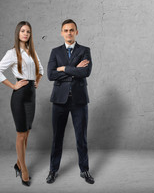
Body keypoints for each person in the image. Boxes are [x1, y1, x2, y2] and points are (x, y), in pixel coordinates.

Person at [0, 21, 44, 187]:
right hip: (19, 96)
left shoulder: (32, 52)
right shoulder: (12, 53)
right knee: (21, 134)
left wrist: (36, 81)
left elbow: (41, 70)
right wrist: (13, 85)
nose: (25, 34)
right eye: (23, 31)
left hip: (31, 95)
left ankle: (18, 163)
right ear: (18, 33)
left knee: (27, 133)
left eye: (28, 31)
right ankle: (23, 170)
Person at [46, 19, 94, 184]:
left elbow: (86, 72)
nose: (69, 33)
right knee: (57, 137)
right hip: (59, 100)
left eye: (71, 30)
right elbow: (51, 75)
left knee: (81, 137)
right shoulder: (55, 52)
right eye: (65, 30)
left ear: (76, 32)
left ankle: (84, 170)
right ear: (61, 33)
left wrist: (64, 68)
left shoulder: (85, 50)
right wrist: (75, 70)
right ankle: (53, 171)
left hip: (79, 101)